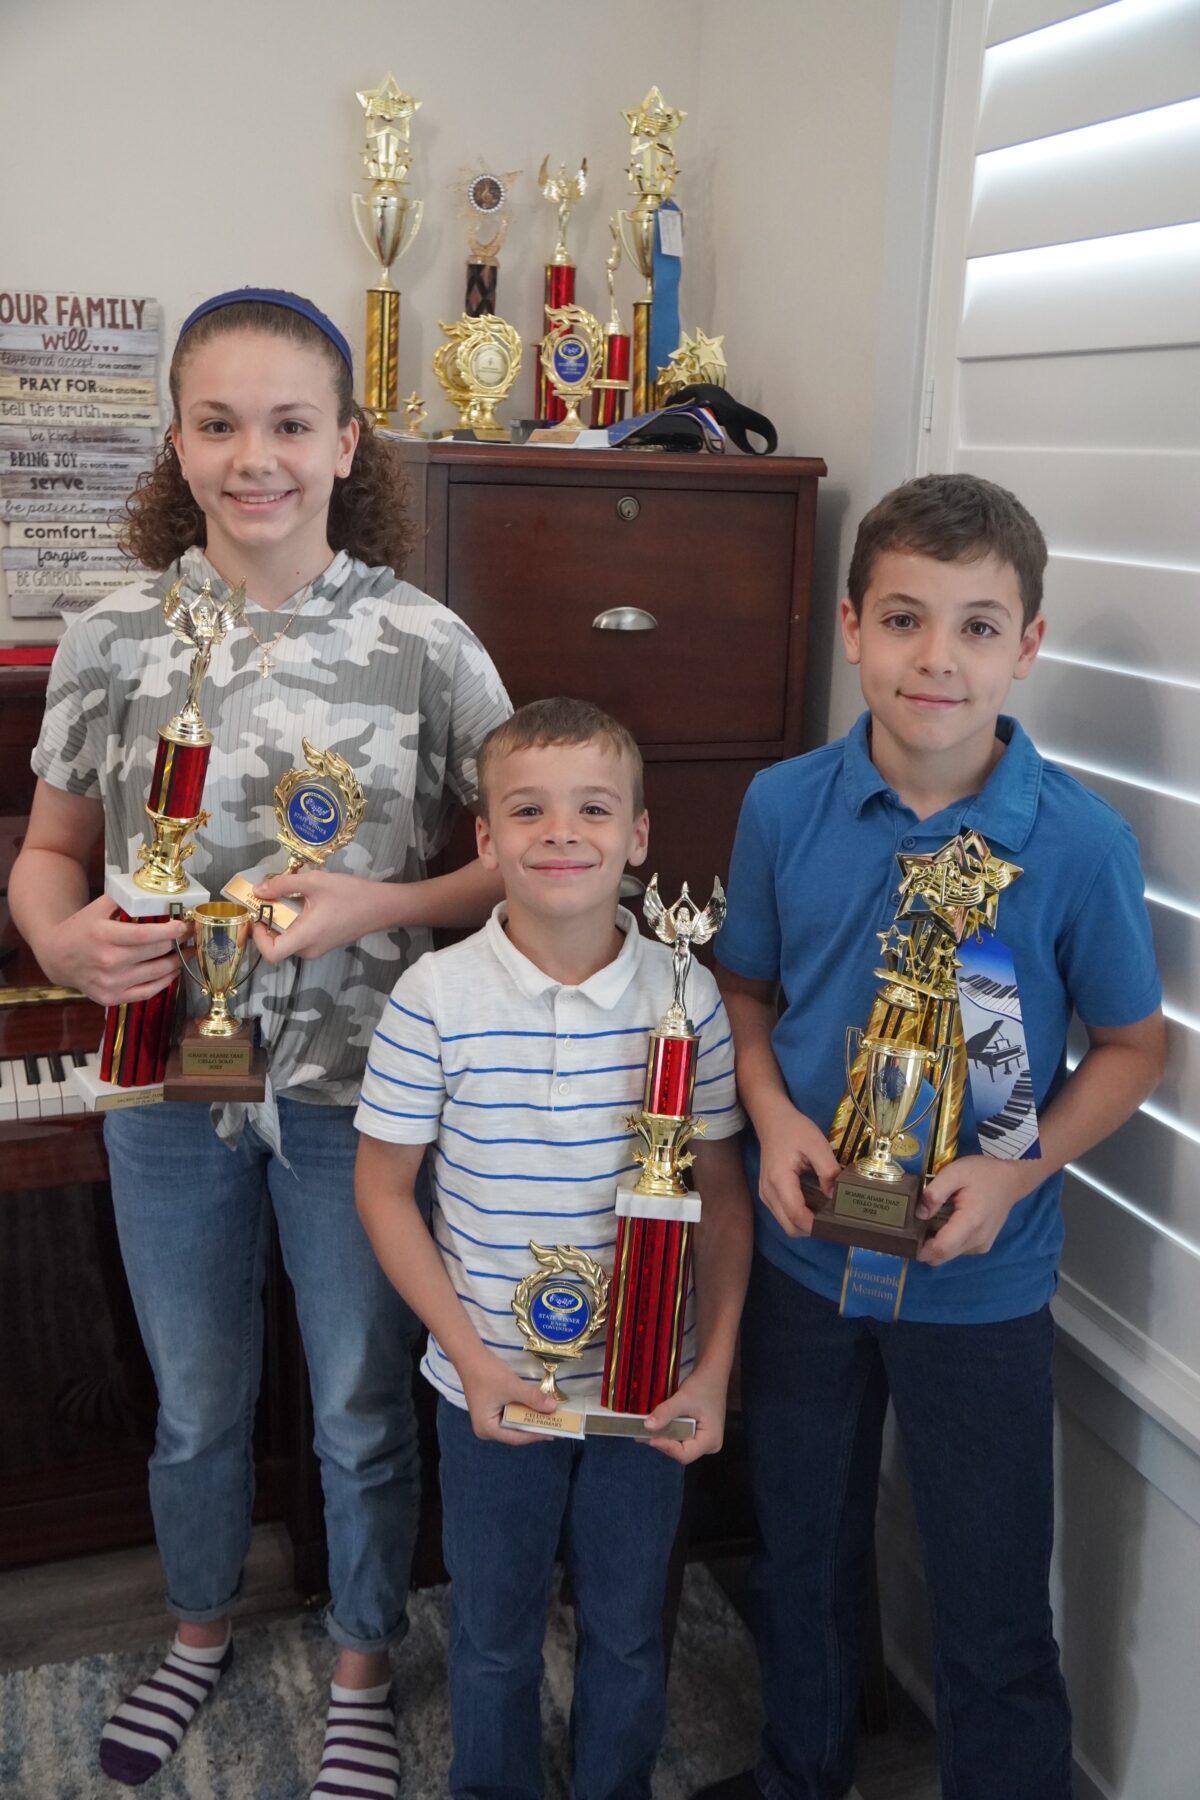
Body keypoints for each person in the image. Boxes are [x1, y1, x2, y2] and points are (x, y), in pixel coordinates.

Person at [10, 288, 511, 1796]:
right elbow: (48, 848)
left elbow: (525, 853)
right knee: (194, 1399)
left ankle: (361, 1659)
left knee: (360, 1401)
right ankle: (197, 1629)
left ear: (347, 442)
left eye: (291, 424)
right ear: (177, 439)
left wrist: (389, 900)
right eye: (219, 424)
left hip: (363, 1103)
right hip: (166, 1085)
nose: (256, 458)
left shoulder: (425, 642)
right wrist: (54, 937)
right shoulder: (109, 635)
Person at [698, 474, 1166, 1800]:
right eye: (904, 619)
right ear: (850, 626)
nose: (934, 659)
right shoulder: (784, 806)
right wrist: (774, 1111)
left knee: (992, 1589)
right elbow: (744, 988)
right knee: (800, 1550)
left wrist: (1020, 1168)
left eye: (974, 627)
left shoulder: (1075, 844)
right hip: (805, 1263)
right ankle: (804, 1770)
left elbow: (1136, 1050)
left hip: (978, 1284)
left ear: (1026, 645)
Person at [355, 697, 753, 1800]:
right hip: (492, 1397)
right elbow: (383, 1189)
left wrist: (711, 1372)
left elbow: (722, 1198)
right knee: (493, 1632)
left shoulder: (690, 997)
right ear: (485, 839)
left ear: (637, 837)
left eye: (593, 809)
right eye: (526, 810)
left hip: (647, 1397)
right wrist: (469, 1355)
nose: (560, 833)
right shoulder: (433, 996)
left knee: (629, 1632)